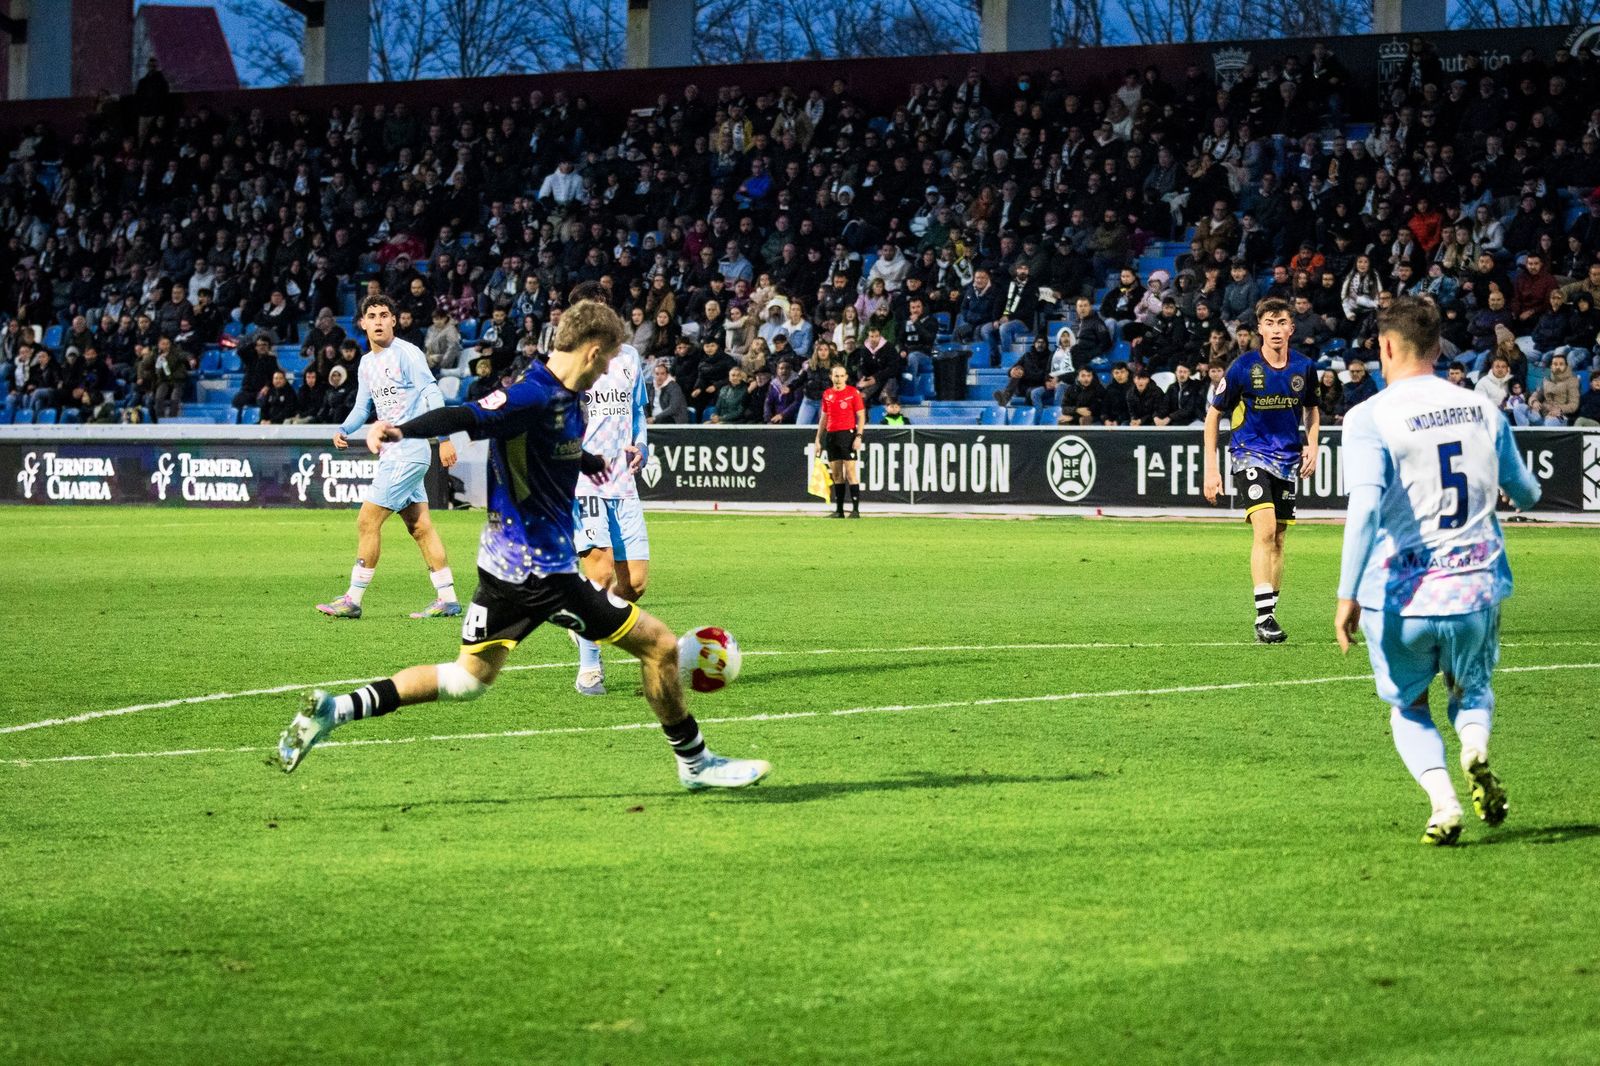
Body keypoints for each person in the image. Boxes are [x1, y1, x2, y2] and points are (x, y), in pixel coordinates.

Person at [275, 300, 770, 792]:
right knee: (661, 647)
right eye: (610, 360)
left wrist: (590, 459)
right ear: (594, 352)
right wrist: (399, 428)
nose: (610, 373)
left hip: (503, 571)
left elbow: (553, 447)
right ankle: (695, 760)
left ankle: (334, 709)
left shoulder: (567, 394)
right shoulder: (531, 396)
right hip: (543, 574)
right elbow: (464, 413)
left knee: (467, 679)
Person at [1335, 295, 1540, 845]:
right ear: (1437, 348)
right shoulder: (1482, 408)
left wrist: (1346, 593)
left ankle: (1444, 802)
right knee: (1471, 690)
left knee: (1409, 705)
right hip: (1474, 587)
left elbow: (1366, 508)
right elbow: (1525, 490)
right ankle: (1474, 743)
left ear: (1385, 347)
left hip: (1398, 597)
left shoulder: (1367, 417)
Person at [316, 294, 461, 621]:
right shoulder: (367, 363)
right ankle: (448, 597)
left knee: (367, 521)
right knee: (420, 526)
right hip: (396, 454)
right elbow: (362, 406)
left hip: (408, 451)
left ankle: (352, 599)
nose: (379, 320)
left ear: (394, 320)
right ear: (363, 323)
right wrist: (345, 428)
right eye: (372, 315)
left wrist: (446, 438)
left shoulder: (407, 354)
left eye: (385, 314)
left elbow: (431, 394)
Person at [1203, 297, 1321, 643]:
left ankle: (1269, 611)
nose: (1276, 329)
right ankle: (1264, 617)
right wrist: (1212, 469)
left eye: (1281, 322)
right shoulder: (1242, 368)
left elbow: (1312, 410)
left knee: (1280, 538)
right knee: (1265, 529)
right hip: (1248, 453)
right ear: (1259, 329)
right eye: (1269, 323)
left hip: (1287, 459)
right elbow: (1214, 416)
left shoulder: (1304, 367)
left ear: (1291, 328)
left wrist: (1312, 445)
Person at [568, 281, 652, 698]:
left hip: (623, 480)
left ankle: (583, 622)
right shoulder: (567, 362)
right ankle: (589, 667)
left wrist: (644, 445)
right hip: (585, 480)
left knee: (633, 583)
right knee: (599, 575)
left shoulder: (631, 357)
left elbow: (637, 409)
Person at [814, 363, 865, 518]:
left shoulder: (852, 393)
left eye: (842, 376)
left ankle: (855, 510)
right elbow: (824, 417)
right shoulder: (827, 394)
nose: (839, 379)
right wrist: (818, 438)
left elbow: (861, 415)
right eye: (836, 375)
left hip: (847, 435)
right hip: (831, 435)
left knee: (850, 472)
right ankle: (840, 510)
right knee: (836, 474)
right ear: (831, 377)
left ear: (846, 377)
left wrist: (858, 436)